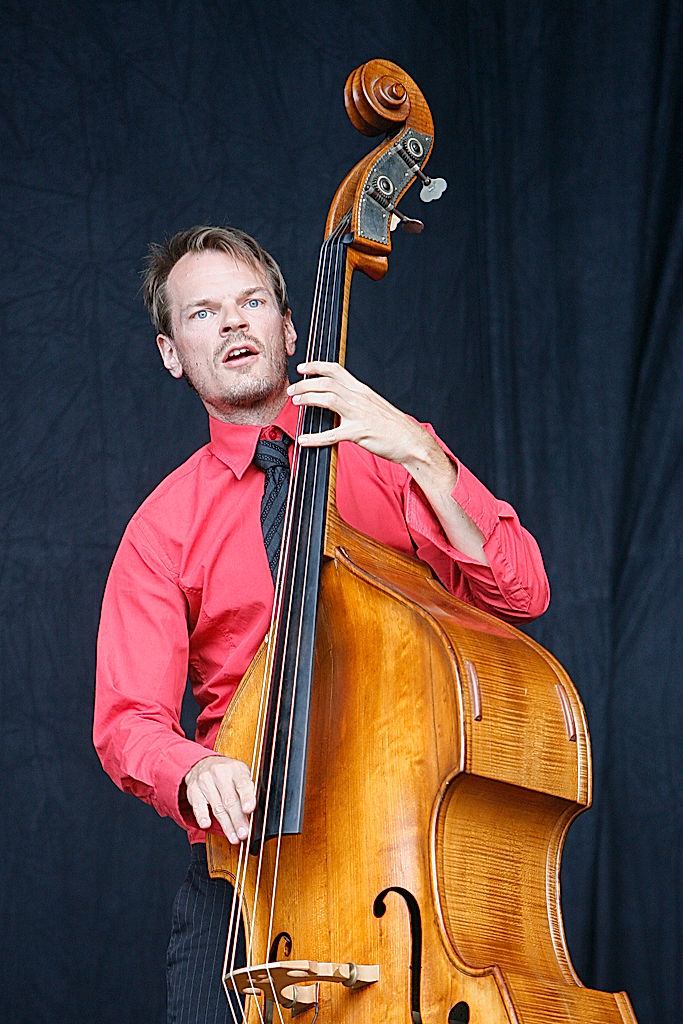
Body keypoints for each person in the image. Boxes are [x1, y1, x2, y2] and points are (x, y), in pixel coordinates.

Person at [94, 224, 549, 1022]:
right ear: (171, 352)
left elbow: (519, 594)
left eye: (252, 302)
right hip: (248, 870)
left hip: (407, 851)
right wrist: (192, 770)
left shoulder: (391, 452)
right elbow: (128, 719)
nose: (233, 323)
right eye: (202, 313)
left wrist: (421, 456)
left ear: (289, 325)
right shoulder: (161, 526)